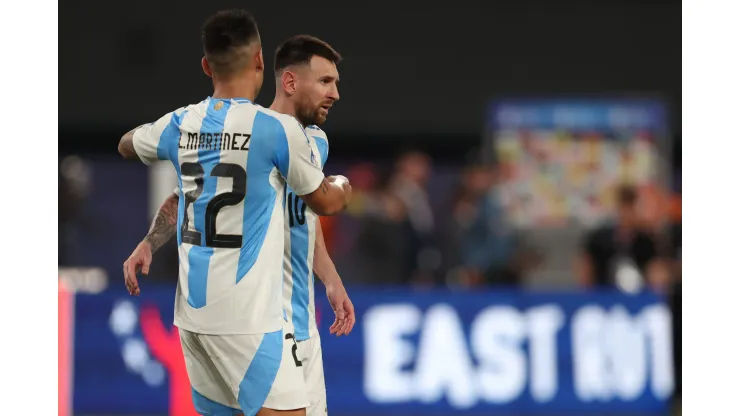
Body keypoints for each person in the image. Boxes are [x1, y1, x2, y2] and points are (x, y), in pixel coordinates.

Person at [117, 10, 352, 416]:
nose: (334, 93)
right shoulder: (276, 133)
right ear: (261, 61)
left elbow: (135, 153)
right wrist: (345, 183)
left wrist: (148, 241)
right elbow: (326, 202)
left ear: (207, 66)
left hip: (194, 319)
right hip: (254, 321)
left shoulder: (185, 124)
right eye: (326, 82)